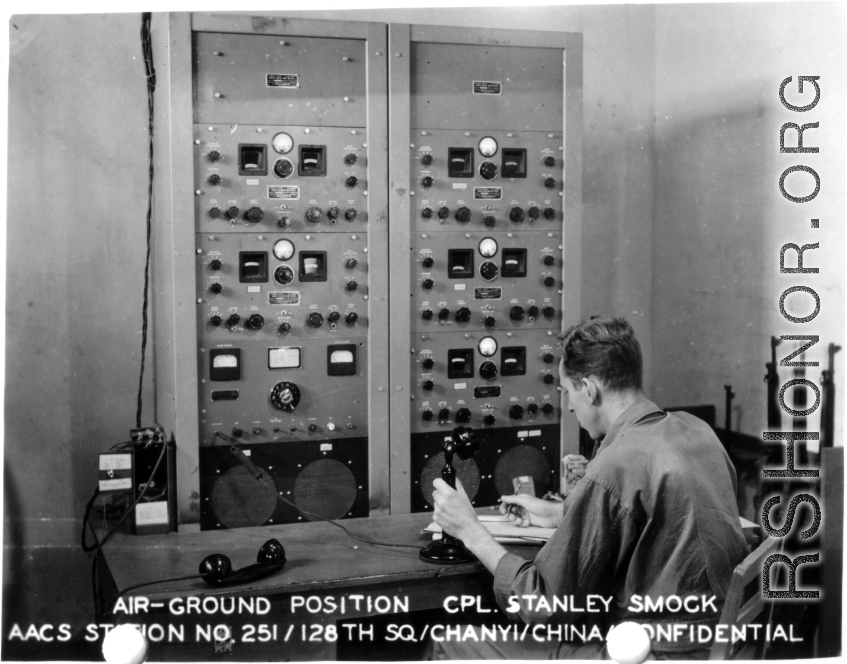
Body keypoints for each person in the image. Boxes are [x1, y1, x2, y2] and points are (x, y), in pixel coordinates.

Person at [431, 316, 749, 659]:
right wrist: (559, 512)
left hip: (651, 654)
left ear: (590, 389)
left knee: (450, 641)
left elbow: (543, 604)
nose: (569, 405)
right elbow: (655, 515)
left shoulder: (614, 466)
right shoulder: (697, 431)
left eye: (568, 391)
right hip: (719, 646)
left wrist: (471, 531)